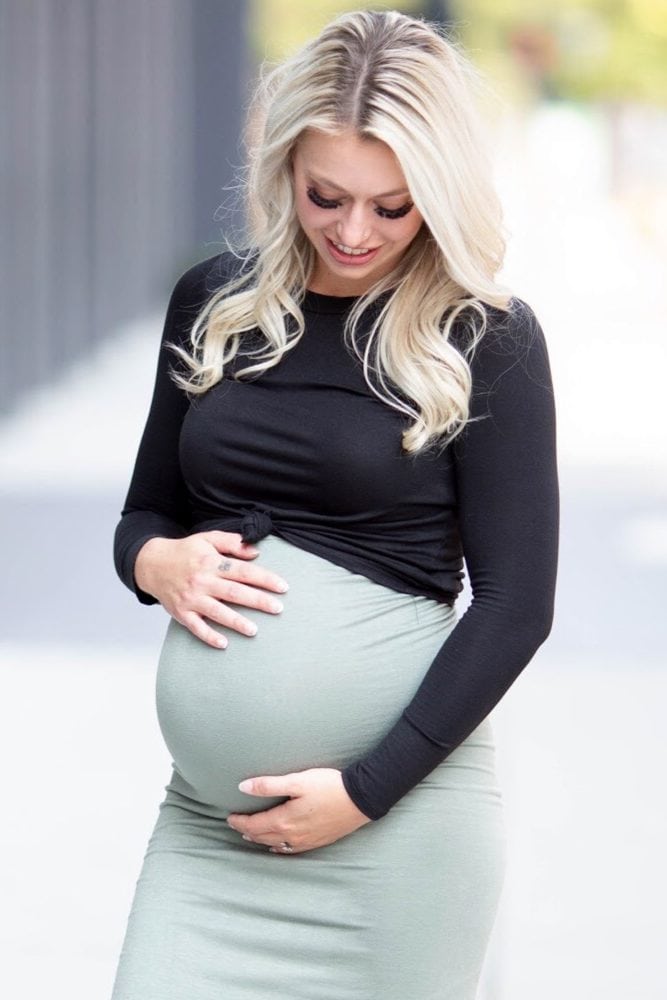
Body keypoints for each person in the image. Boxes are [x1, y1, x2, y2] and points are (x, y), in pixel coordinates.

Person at [110, 9, 558, 1000]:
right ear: (285, 171)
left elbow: (516, 606)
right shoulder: (213, 302)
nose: (354, 232)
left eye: (392, 207)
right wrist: (157, 563)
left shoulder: (485, 337)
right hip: (206, 834)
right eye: (327, 196)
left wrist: (364, 792)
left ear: (437, 193)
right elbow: (143, 515)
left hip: (398, 833)